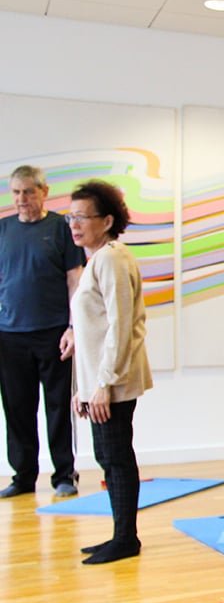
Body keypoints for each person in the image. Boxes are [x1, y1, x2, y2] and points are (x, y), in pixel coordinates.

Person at [68, 180, 152, 564]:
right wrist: (84, 387)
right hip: (99, 381)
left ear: (105, 220)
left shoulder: (112, 258)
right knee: (108, 456)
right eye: (71, 217)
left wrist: (103, 384)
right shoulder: (96, 260)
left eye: (82, 217)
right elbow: (92, 330)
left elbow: (121, 326)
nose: (74, 224)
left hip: (113, 381)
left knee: (117, 456)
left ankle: (126, 539)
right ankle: (119, 534)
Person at [0, 166, 85, 499]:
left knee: (57, 407)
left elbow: (75, 280)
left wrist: (73, 327)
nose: (22, 199)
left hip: (53, 333)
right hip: (9, 334)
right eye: (17, 193)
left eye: (29, 192)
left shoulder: (61, 228)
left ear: (44, 191)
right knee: (17, 408)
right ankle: (23, 477)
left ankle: (64, 474)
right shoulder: (3, 229)